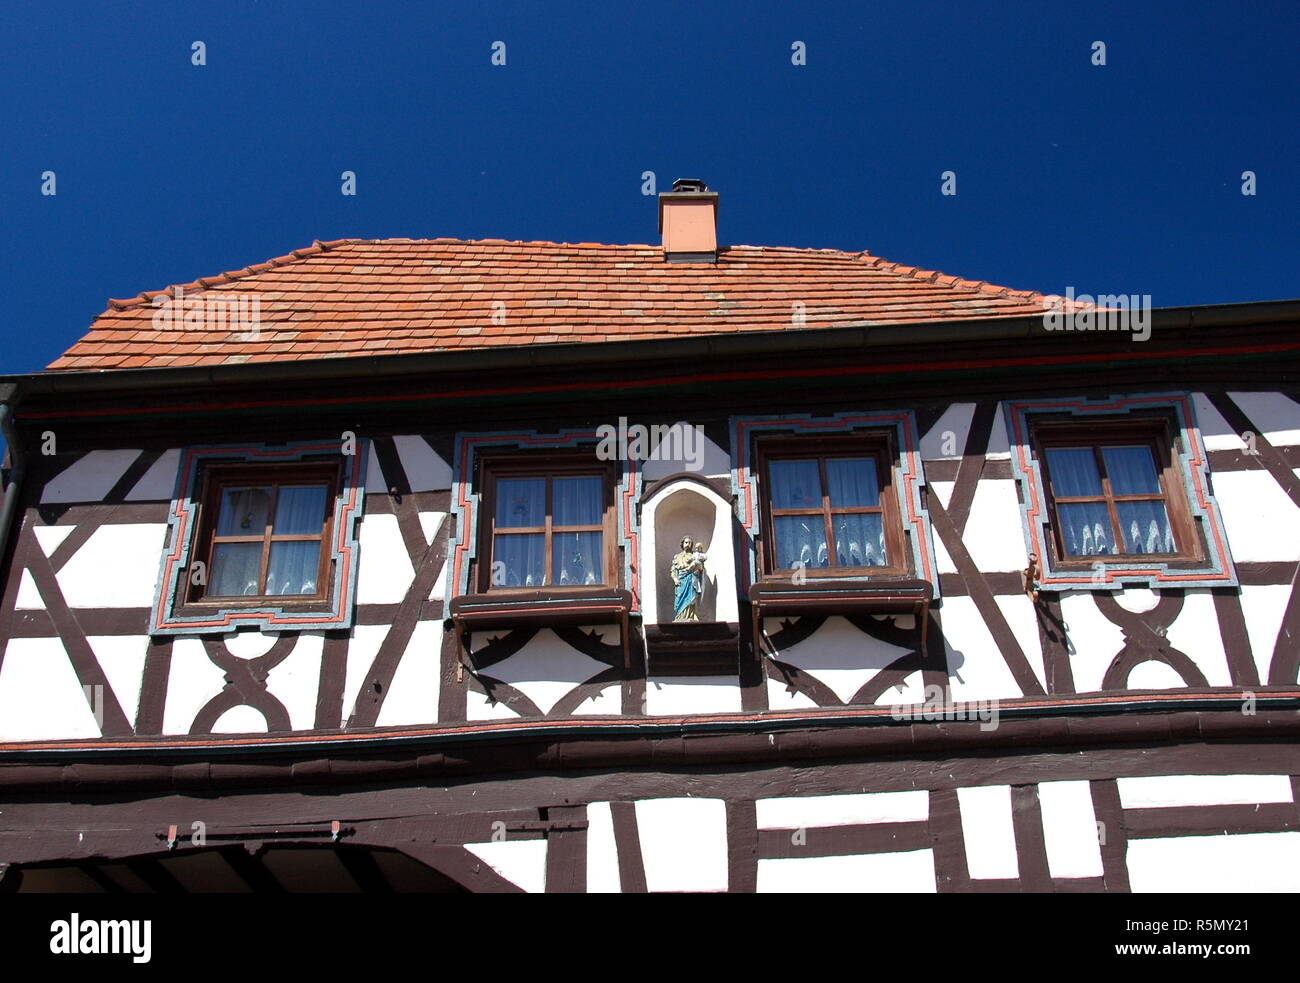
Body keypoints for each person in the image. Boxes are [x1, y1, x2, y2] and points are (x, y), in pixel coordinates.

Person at [670, 536, 707, 621]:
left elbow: (701, 568)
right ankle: (680, 616)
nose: (688, 544)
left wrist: (699, 570)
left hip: (692, 579)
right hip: (681, 581)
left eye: (690, 543)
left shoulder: (695, 555)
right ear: (682, 544)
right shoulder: (677, 557)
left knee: (691, 598)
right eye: (686, 542)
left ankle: (691, 615)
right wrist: (675, 579)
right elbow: (673, 571)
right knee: (680, 599)